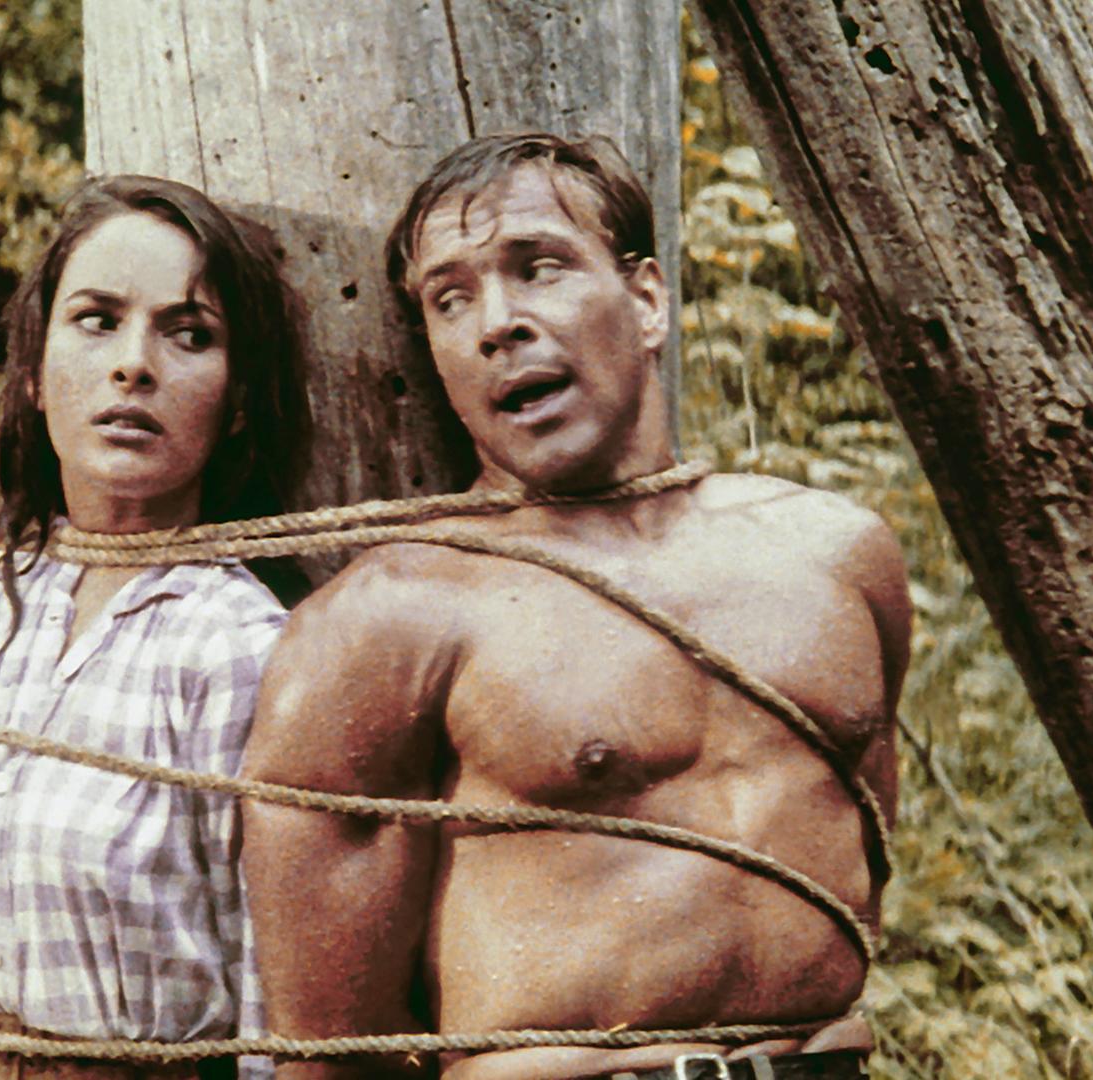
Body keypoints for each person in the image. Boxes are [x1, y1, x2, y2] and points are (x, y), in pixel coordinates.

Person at [241, 133, 910, 1080]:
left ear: (647, 300)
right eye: (450, 299)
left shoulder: (838, 554)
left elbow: (863, 869)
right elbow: (333, 1051)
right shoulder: (391, 618)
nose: (497, 324)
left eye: (539, 266)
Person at [0, 174, 306, 1080]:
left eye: (189, 334)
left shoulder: (240, 647)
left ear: (237, 399)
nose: (133, 366)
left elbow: (269, 989)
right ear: (34, 373)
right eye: (97, 320)